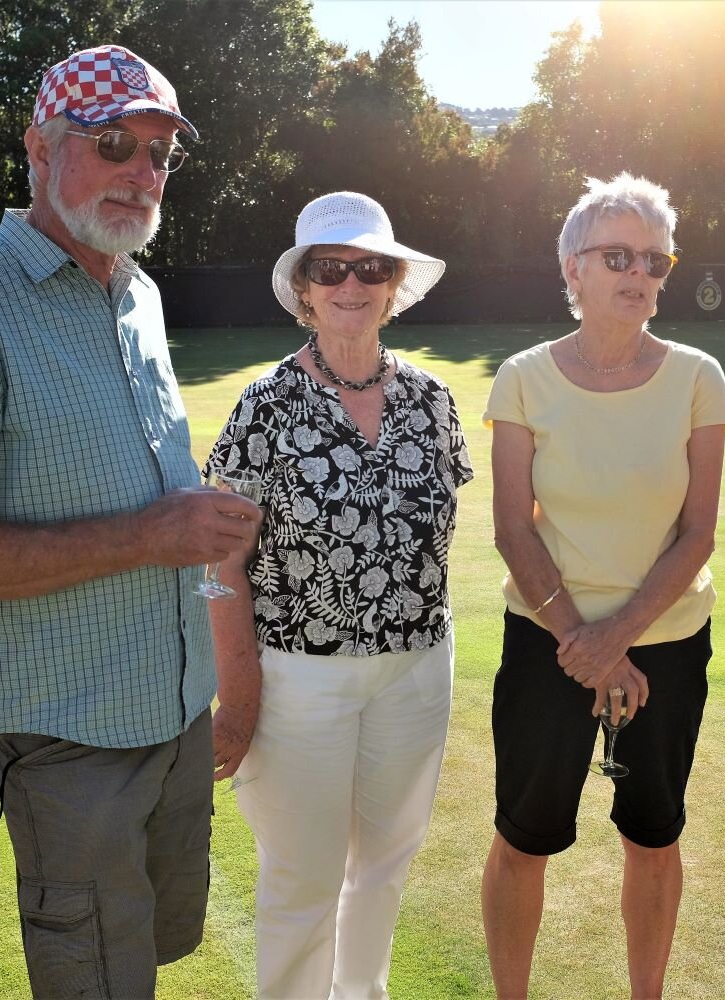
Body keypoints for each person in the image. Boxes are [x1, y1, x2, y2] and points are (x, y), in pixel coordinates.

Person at [0, 45, 260, 997]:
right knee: (95, 979)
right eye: (114, 142)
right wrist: (149, 535)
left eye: (160, 153)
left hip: (173, 716)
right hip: (68, 741)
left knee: (145, 956)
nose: (142, 170)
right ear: (39, 150)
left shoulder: (139, 294)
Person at [206, 191, 471, 1000]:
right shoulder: (264, 405)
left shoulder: (432, 398)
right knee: (302, 881)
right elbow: (218, 562)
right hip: (299, 679)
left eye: (371, 267)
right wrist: (239, 690)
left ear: (393, 284)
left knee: (384, 869)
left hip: (418, 669)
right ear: (306, 292)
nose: (352, 283)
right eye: (332, 269)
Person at [479, 172, 725, 999]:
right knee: (524, 838)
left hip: (662, 647)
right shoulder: (522, 376)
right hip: (544, 647)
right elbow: (513, 528)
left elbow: (698, 532)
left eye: (655, 260)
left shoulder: (699, 376)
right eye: (617, 255)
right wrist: (582, 645)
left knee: (653, 838)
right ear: (572, 268)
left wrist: (614, 641)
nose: (640, 274)